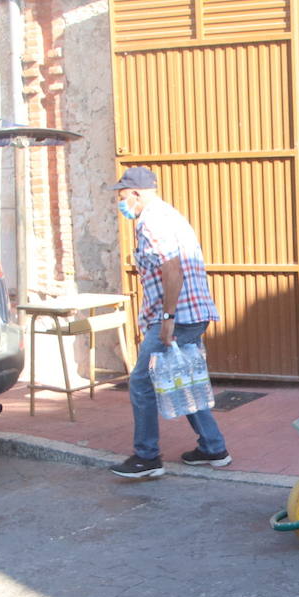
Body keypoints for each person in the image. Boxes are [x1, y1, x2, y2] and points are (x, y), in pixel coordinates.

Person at [109, 166, 231, 479]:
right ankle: (213, 447)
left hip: (179, 317)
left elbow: (172, 270)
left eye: (122, 196)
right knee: (182, 378)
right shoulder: (168, 214)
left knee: (141, 382)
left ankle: (147, 457)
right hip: (192, 314)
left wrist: (166, 319)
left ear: (136, 194)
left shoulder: (150, 221)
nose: (120, 203)